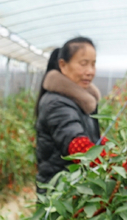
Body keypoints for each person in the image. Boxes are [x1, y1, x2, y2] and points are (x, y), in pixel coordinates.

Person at [35, 37, 102, 188]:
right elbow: (78, 147)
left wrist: (112, 147)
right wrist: (114, 163)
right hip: (60, 192)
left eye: (93, 64)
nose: (90, 71)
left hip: (78, 187)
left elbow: (91, 137)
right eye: (83, 64)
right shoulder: (56, 103)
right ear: (63, 66)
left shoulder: (81, 101)